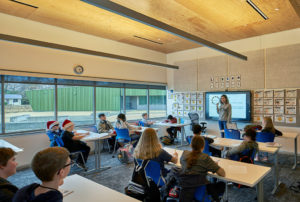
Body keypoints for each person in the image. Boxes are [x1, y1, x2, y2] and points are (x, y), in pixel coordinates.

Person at [180, 136, 225, 202]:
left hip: (185, 192)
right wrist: (214, 165)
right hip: (200, 191)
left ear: (190, 145)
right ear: (203, 147)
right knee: (222, 184)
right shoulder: (205, 158)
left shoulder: (184, 154)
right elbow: (222, 174)